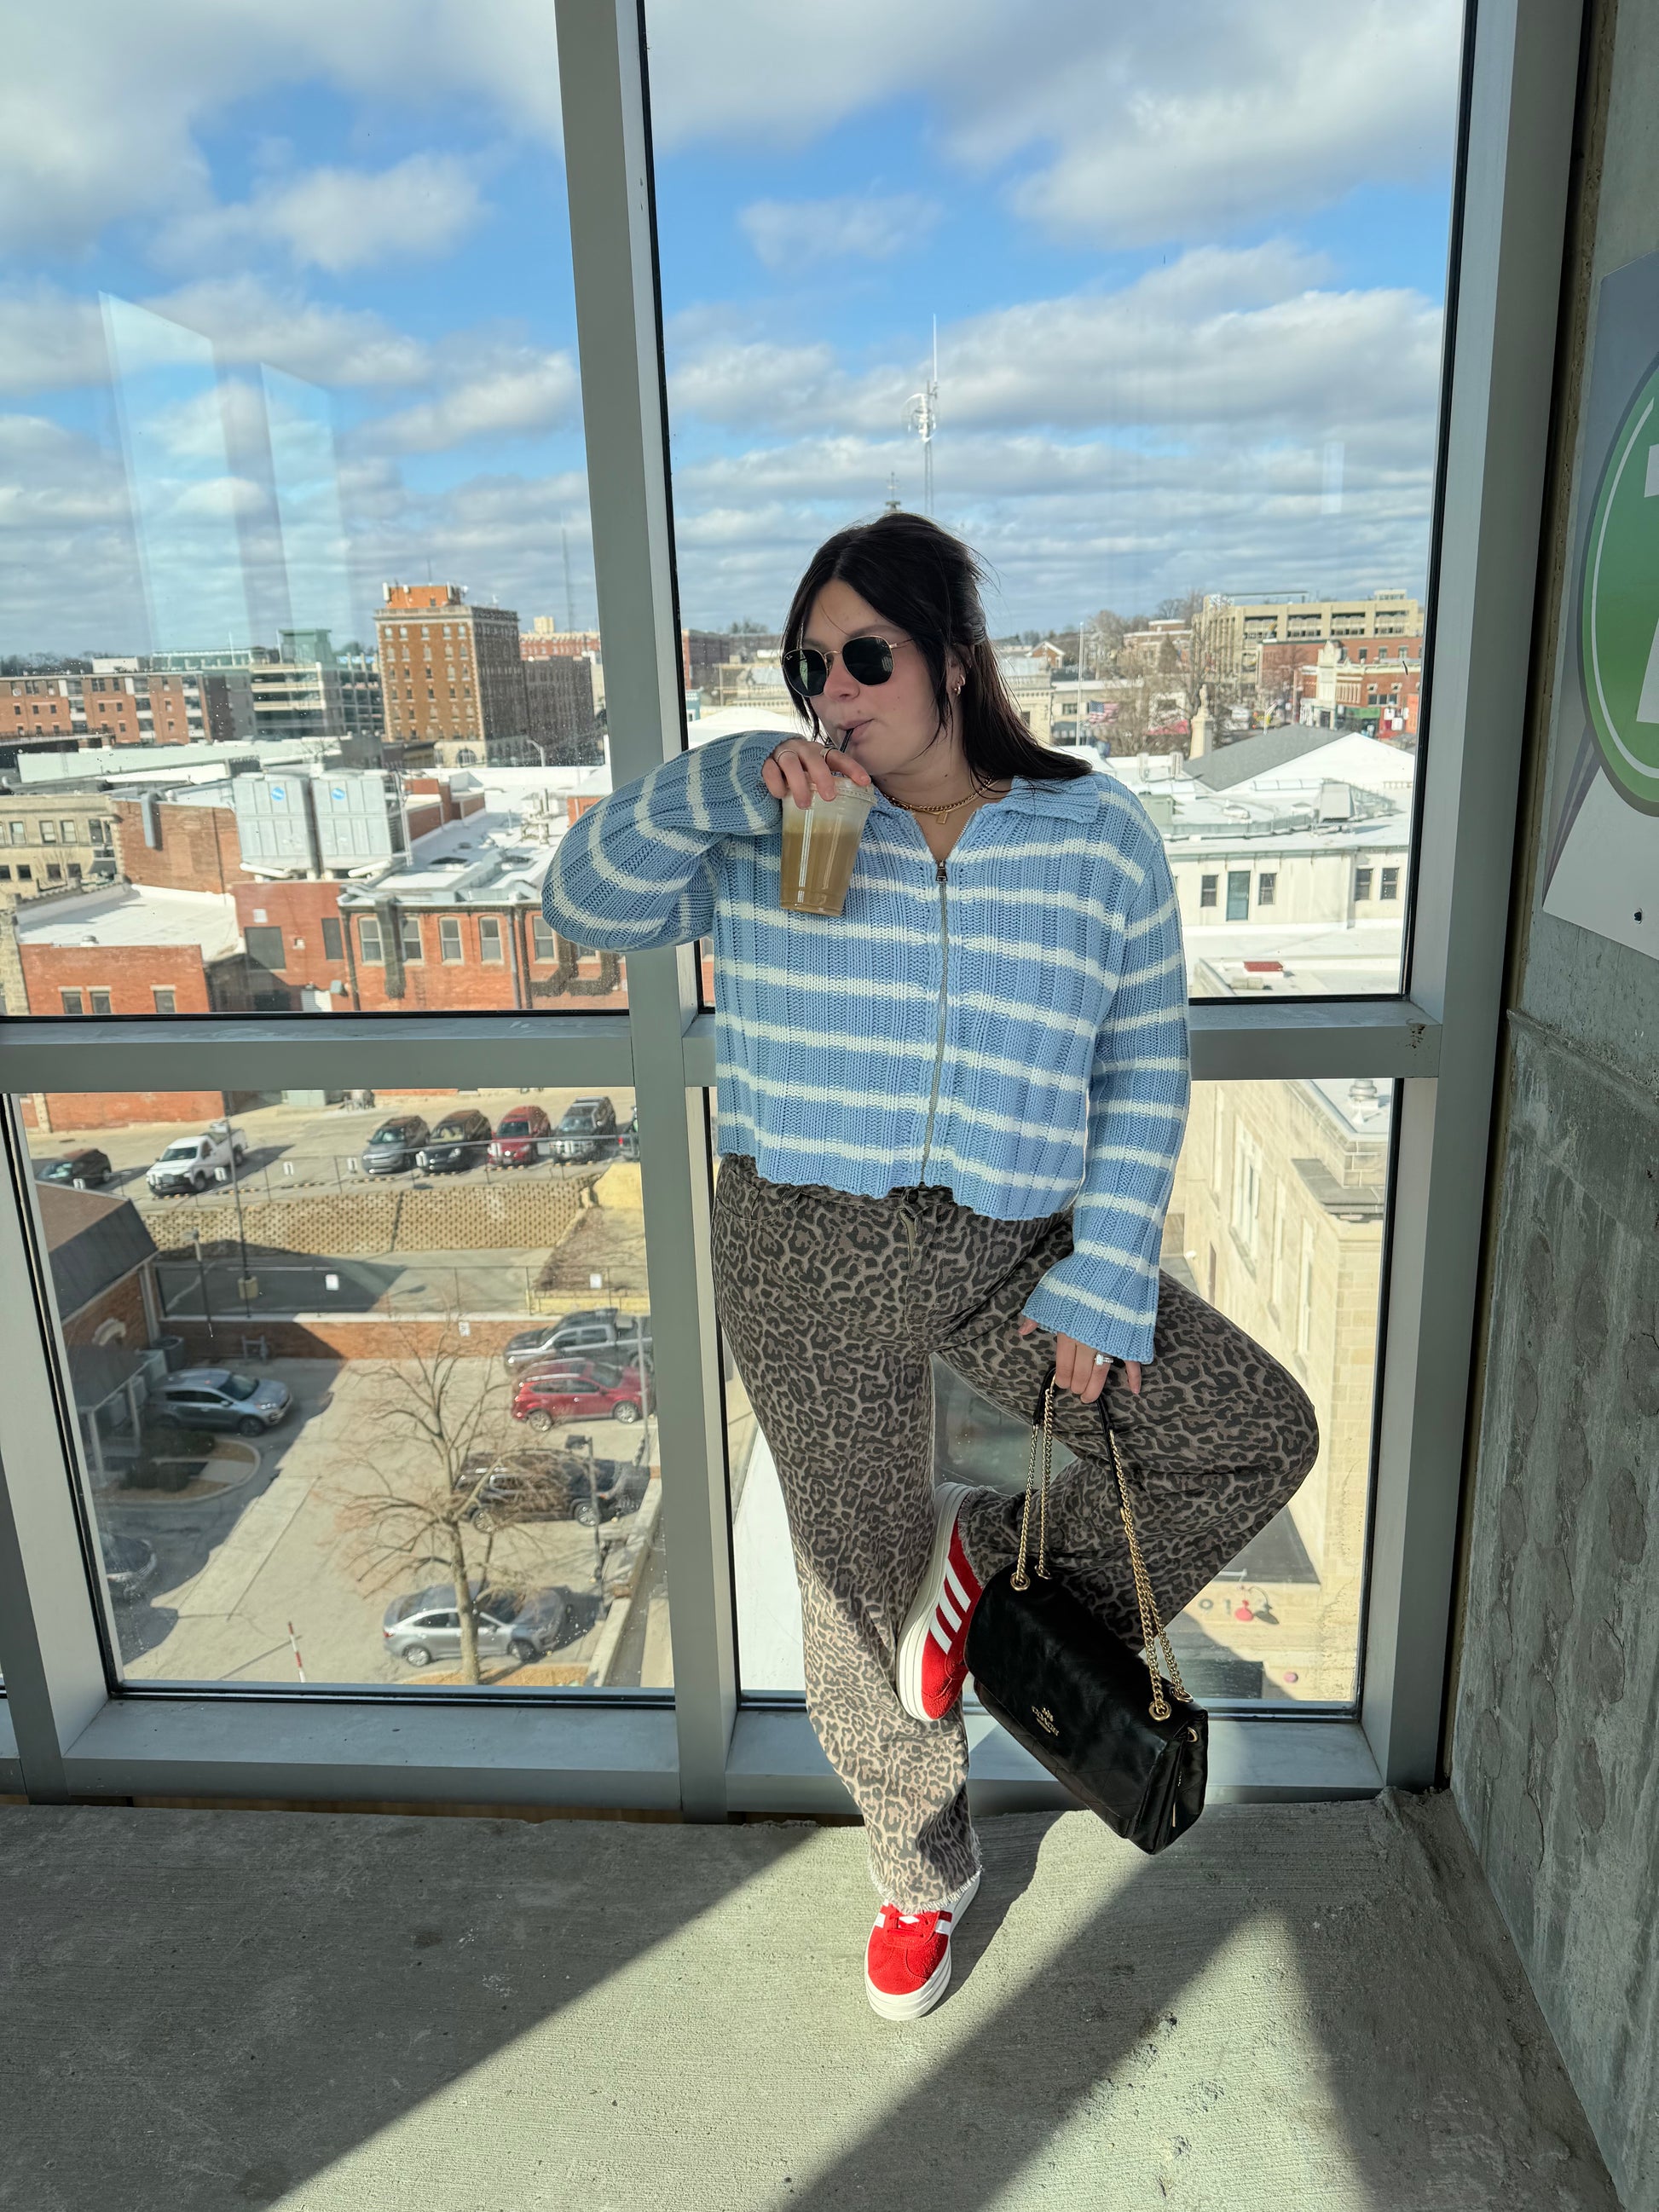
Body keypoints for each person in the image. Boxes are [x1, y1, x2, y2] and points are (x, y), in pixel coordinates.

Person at [543, 511, 1319, 2021]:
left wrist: (1107, 1267)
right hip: (801, 1248)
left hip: (1007, 1248)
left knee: (1246, 1432)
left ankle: (980, 1589)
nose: (834, 689)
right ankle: (917, 1871)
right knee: (847, 1585)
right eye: (808, 665)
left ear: (954, 661)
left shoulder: (1094, 836)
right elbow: (581, 904)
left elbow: (1141, 1065)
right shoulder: (769, 821)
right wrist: (719, 780)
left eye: (867, 655)